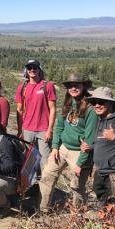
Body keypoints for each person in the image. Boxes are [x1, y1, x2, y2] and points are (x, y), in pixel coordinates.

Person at [39, 74, 98, 211]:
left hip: (79, 152)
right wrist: (54, 147)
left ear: (83, 86)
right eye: (70, 86)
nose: (73, 88)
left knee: (77, 185)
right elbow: (59, 126)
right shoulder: (68, 102)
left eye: (76, 85)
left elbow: (89, 140)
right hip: (63, 148)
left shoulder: (90, 109)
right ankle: (44, 209)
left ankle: (78, 214)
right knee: (47, 175)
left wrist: (81, 162)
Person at [15, 59, 56, 173]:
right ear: (26, 70)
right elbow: (19, 110)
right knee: (28, 160)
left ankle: (44, 188)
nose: (32, 70)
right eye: (29, 68)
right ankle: (29, 185)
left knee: (45, 160)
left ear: (39, 69)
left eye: (35, 67)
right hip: (27, 129)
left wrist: (50, 130)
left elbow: (53, 109)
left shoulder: (47, 86)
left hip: (43, 130)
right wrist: (20, 130)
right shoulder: (22, 87)